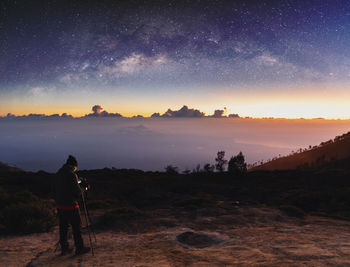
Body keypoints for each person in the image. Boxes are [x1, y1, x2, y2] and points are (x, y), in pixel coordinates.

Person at [53, 155, 90, 255]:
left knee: (63, 228)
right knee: (76, 227)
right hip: (71, 205)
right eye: (75, 167)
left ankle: (64, 248)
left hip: (60, 205)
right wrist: (84, 189)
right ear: (73, 165)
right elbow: (77, 192)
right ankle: (79, 248)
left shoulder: (59, 173)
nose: (75, 169)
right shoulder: (72, 175)